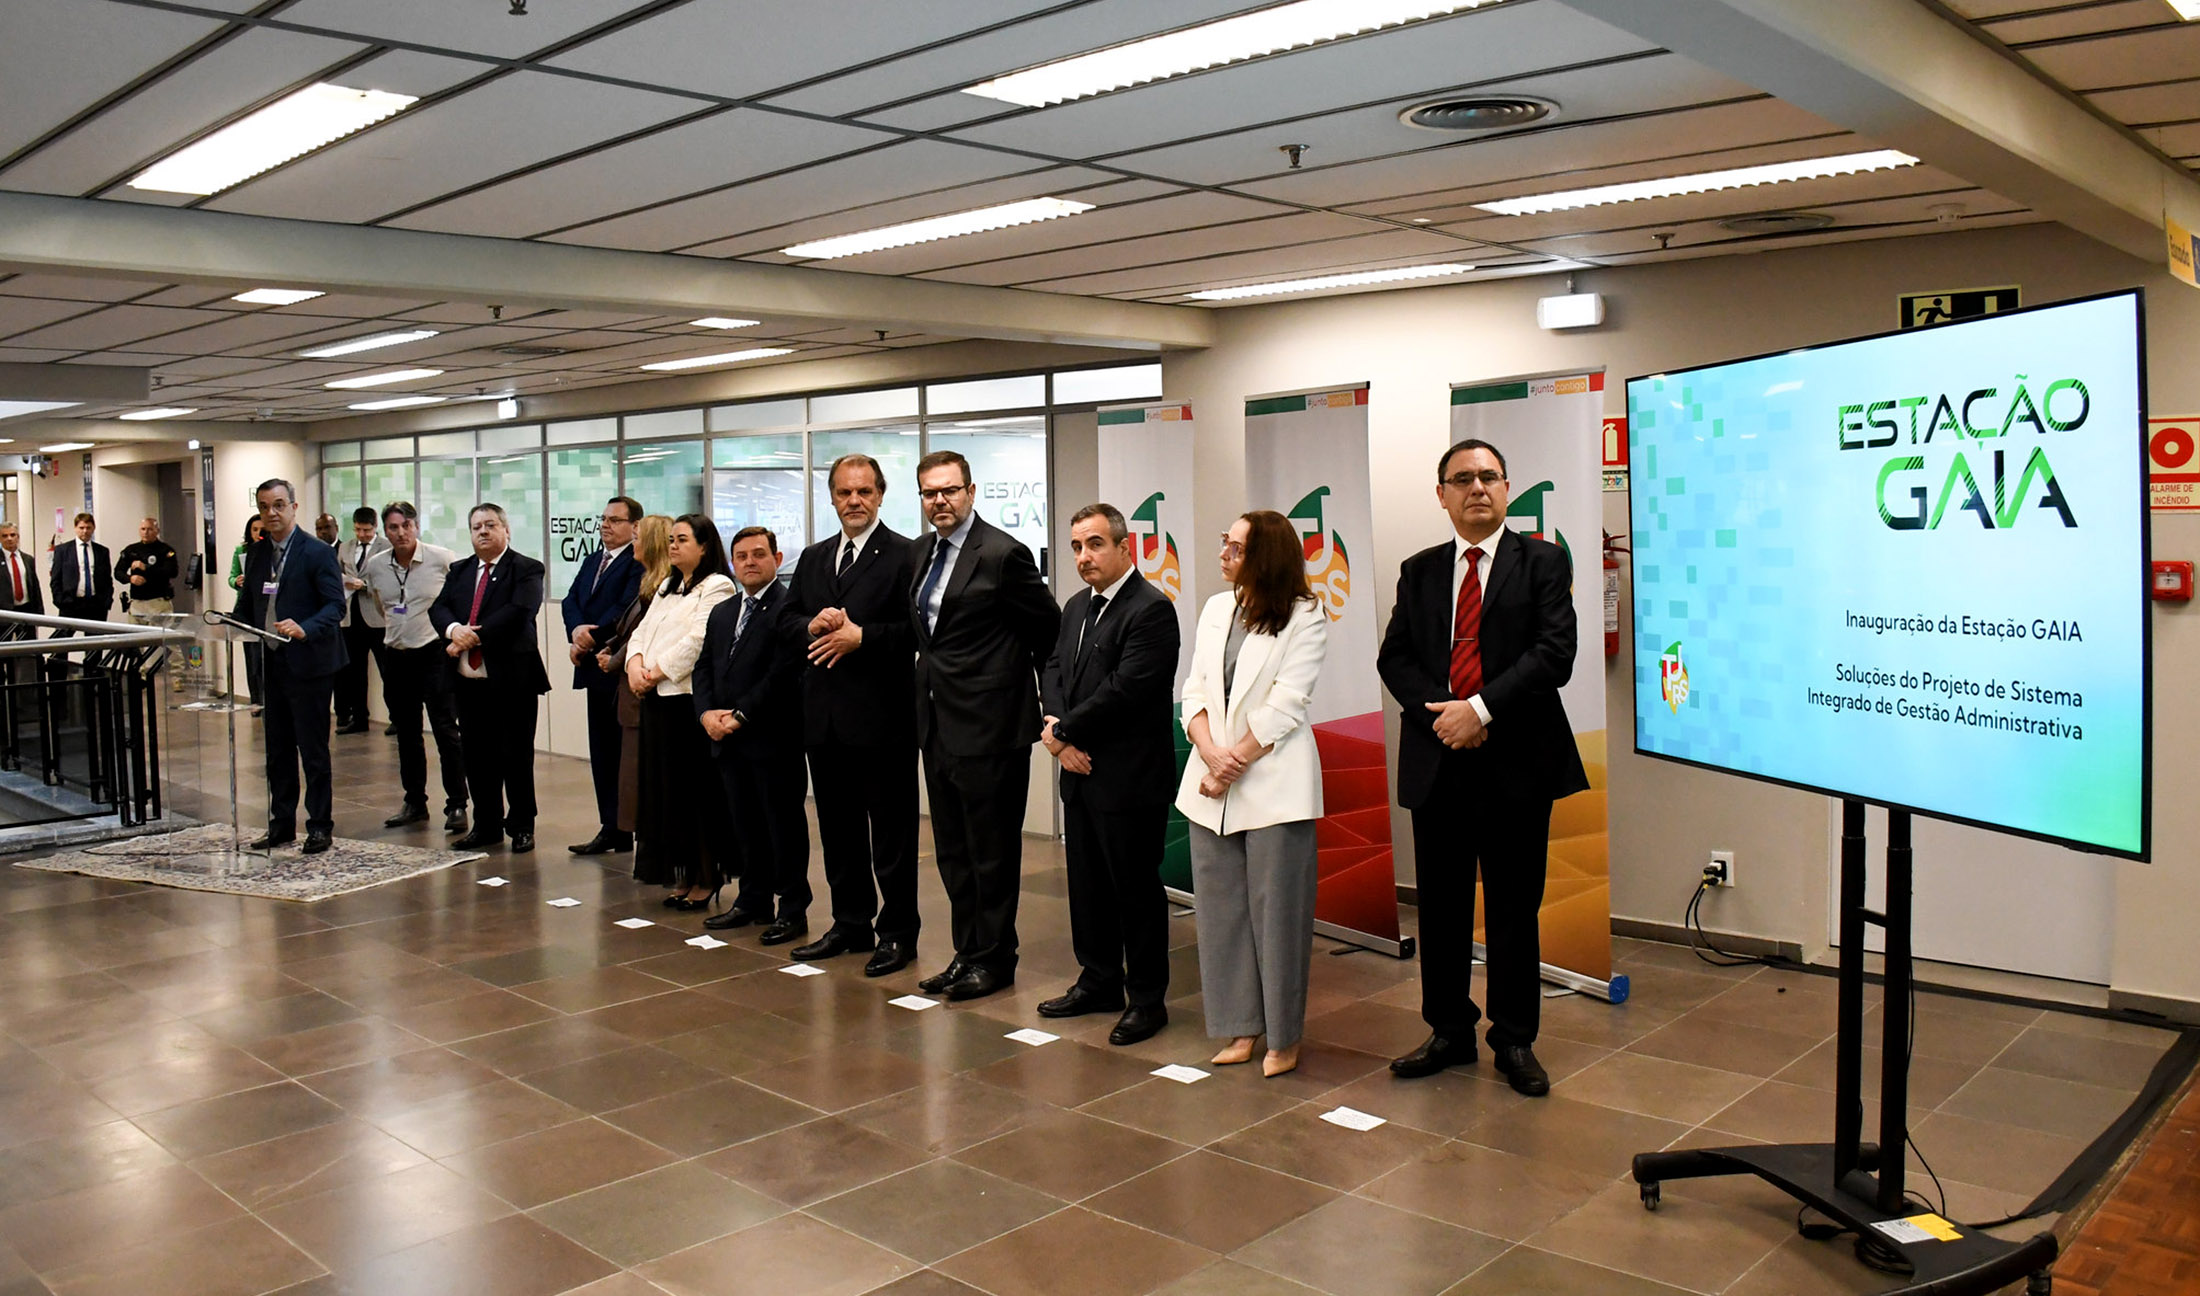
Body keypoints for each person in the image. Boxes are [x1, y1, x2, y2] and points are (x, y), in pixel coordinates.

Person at [1377, 438, 1588, 1098]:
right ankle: (1448, 1031)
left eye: (1489, 477)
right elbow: (1395, 659)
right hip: (1438, 759)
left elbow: (1555, 655)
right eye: (1462, 479)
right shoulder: (1419, 571)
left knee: (1513, 908)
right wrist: (1444, 715)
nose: (1477, 488)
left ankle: (1514, 1039)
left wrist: (1480, 709)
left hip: (1518, 763)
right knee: (1439, 908)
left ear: (1506, 488)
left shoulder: (1544, 563)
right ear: (1441, 494)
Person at [1178, 510, 1329, 1078]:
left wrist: (1231, 761)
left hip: (1272, 784)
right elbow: (1193, 687)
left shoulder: (1305, 616)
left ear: (1264, 556)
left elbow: (1286, 705)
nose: (1223, 554)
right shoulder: (1218, 608)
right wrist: (1210, 754)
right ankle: (1239, 1026)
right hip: (1208, 782)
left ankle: (1283, 1037)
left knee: (1279, 917)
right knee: (1221, 913)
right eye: (1224, 542)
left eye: (1235, 547)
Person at [909, 449, 1058, 1002]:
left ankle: (996, 959)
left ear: (971, 492)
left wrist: (1046, 703)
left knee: (991, 852)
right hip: (938, 723)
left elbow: (1048, 631)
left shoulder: (1003, 554)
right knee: (952, 850)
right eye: (929, 492)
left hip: (991, 726)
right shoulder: (923, 553)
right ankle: (966, 952)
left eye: (949, 490)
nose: (940, 500)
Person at [1038, 503, 1181, 1046]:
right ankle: (1098, 980)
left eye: (1095, 544)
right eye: (1076, 546)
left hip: (1127, 777)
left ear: (1126, 548)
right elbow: (1053, 669)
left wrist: (1063, 732)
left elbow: (1128, 689)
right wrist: (1057, 733)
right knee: (1087, 887)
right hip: (1078, 770)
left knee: (1135, 892)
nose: (1083, 556)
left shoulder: (1151, 610)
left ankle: (1147, 999)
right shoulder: (1075, 605)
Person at [790, 454, 919, 973]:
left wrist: (862, 637)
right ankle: (850, 923)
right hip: (824, 721)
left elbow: (919, 632)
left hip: (883, 720)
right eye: (845, 493)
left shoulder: (908, 556)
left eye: (864, 492)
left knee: (891, 834)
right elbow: (784, 622)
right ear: (832, 497)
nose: (854, 502)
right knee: (838, 831)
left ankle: (898, 932)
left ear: (881, 495)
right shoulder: (814, 558)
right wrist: (810, 624)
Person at [696, 527, 809, 942]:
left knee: (783, 828)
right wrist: (706, 712)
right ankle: (753, 899)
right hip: (727, 739)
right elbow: (704, 665)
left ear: (777, 559)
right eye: (741, 556)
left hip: (772, 738)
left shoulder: (789, 609)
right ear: (731, 564)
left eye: (759, 554)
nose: (749, 562)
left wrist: (741, 715)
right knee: (744, 825)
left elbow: (783, 673)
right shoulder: (723, 611)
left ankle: (792, 908)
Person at [622, 514, 736, 911]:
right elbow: (640, 632)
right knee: (667, 793)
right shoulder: (669, 586)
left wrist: (654, 673)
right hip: (657, 701)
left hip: (687, 701)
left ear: (704, 547)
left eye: (682, 539)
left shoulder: (717, 586)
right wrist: (635, 666)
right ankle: (684, 873)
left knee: (696, 792)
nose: (672, 546)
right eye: (670, 539)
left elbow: (699, 640)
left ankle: (707, 876)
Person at [234, 479, 348, 854]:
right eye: (265, 507)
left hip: (310, 663)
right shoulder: (256, 553)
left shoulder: (316, 553)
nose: (272, 514)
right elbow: (250, 603)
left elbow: (335, 607)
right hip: (272, 663)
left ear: (294, 507)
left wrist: (304, 628)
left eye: (279, 505)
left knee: (312, 750)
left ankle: (319, 826)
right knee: (277, 750)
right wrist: (224, 623)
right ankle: (281, 825)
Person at [431, 503, 551, 853]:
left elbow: (519, 611)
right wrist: (454, 630)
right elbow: (438, 608)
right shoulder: (460, 570)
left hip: (512, 680)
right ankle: (486, 825)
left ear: (505, 529)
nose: (482, 531)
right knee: (477, 756)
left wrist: (473, 636)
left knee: (515, 755)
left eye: (490, 525)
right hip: (468, 682)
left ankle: (521, 825)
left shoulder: (526, 569)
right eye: (476, 527)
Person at [362, 501, 467, 835]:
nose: (401, 532)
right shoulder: (377, 565)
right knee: (406, 732)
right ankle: (415, 802)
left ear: (417, 526)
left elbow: (460, 598)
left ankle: (457, 804)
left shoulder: (442, 558)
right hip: (396, 653)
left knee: (444, 729)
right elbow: (381, 604)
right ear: (385, 531)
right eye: (393, 527)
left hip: (434, 653)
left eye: (407, 525)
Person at [563, 495, 643, 856]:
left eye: (615, 520)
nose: (606, 525)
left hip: (617, 666)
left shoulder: (635, 563)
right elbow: (570, 600)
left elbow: (624, 608)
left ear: (634, 526)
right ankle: (609, 826)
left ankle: (626, 825)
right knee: (601, 752)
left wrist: (590, 638)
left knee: (622, 754)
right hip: (591, 666)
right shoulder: (593, 559)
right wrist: (577, 629)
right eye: (604, 519)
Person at [591, 515, 672, 865]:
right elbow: (631, 630)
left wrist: (615, 660)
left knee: (649, 783)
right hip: (632, 693)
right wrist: (610, 647)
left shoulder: (662, 587)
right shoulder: (648, 583)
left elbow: (647, 634)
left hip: (649, 694)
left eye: (638, 537)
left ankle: (657, 855)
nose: (633, 544)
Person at [335, 506, 388, 735]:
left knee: (388, 670)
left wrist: (364, 585)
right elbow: (334, 574)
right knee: (355, 672)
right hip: (351, 615)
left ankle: (396, 717)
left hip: (377, 617)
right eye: (358, 530)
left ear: (375, 527)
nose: (362, 535)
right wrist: (344, 581)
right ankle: (359, 718)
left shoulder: (386, 547)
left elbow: (389, 579)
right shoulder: (345, 548)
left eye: (366, 530)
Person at [48, 512, 112, 637]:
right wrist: (60, 600)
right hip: (70, 603)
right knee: (61, 643)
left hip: (95, 604)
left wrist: (107, 601)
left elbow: (107, 579)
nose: (85, 531)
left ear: (93, 528)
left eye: (88, 528)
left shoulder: (102, 551)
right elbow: (55, 579)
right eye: (81, 528)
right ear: (75, 528)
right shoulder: (63, 550)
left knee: (94, 645)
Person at [228, 516, 266, 709]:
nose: (258, 533)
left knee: (264, 658)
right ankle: (255, 699)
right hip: (247, 609)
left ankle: (268, 698)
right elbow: (232, 576)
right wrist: (237, 581)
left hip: (266, 607)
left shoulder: (271, 551)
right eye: (254, 529)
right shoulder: (241, 551)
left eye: (262, 529)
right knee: (251, 657)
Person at [114, 517, 179, 626]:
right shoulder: (131, 550)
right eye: (143, 529)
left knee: (158, 639)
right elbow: (118, 572)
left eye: (150, 529)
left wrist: (147, 568)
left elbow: (172, 572)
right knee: (136, 640)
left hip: (158, 602)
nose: (146, 532)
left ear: (157, 531)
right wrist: (130, 578)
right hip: (137, 603)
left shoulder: (166, 550)